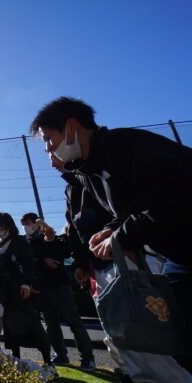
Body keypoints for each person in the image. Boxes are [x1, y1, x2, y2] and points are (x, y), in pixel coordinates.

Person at [31, 96, 192, 373]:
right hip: (178, 254)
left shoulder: (125, 146)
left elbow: (175, 197)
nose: (49, 149)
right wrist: (112, 228)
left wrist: (121, 236)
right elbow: (135, 207)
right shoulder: (89, 171)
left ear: (71, 127)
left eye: (48, 139)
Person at [55, 154, 191, 381]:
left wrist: (126, 240)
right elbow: (75, 230)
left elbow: (130, 209)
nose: (52, 158)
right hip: (99, 267)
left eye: (51, 144)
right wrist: (80, 262)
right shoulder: (71, 188)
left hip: (129, 261)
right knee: (123, 337)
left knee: (152, 336)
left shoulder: (102, 168)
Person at [21, 212, 95, 371]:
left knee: (74, 321)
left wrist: (49, 237)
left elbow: (62, 252)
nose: (28, 226)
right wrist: (42, 261)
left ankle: (88, 358)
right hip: (41, 288)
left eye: (30, 222)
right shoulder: (26, 242)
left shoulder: (49, 236)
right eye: (25, 223)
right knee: (51, 324)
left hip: (59, 285)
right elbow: (30, 262)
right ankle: (61, 355)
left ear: (37, 223)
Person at [0, 212, 52, 366]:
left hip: (20, 290)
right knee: (10, 327)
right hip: (5, 293)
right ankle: (16, 360)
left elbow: (28, 263)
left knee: (33, 324)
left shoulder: (19, 240)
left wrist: (26, 284)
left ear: (9, 225)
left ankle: (48, 362)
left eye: (2, 225)